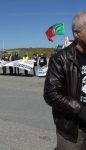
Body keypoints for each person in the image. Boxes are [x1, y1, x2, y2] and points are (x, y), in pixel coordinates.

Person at [43, 11, 86, 150]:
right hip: (73, 129)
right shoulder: (60, 59)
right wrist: (81, 110)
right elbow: (51, 94)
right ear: (77, 33)